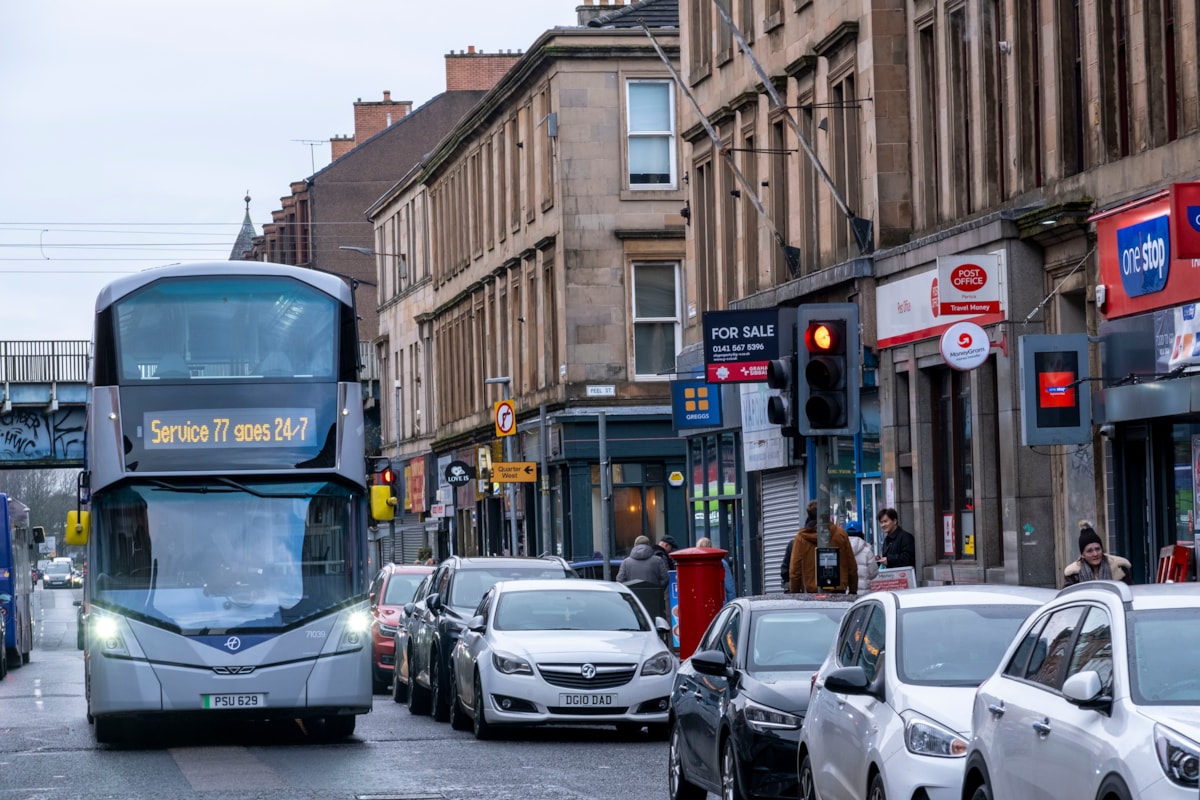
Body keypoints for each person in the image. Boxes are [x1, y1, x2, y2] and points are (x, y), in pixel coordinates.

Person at [789, 501, 858, 594]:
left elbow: (795, 570)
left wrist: (795, 594)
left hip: (812, 593)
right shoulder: (841, 534)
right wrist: (853, 591)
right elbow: (851, 566)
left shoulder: (801, 538)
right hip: (838, 591)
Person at [1064, 523, 1132, 585]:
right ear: (1082, 555)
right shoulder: (1073, 574)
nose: (1095, 554)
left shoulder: (1119, 567)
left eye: (1097, 549)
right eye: (1089, 551)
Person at [697, 537, 735, 602]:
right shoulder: (722, 563)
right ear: (711, 547)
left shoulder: (694, 564)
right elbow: (729, 588)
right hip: (720, 602)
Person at [845, 521, 879, 591]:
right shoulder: (867, 551)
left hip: (847, 591)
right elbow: (873, 574)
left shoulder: (841, 550)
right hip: (864, 593)